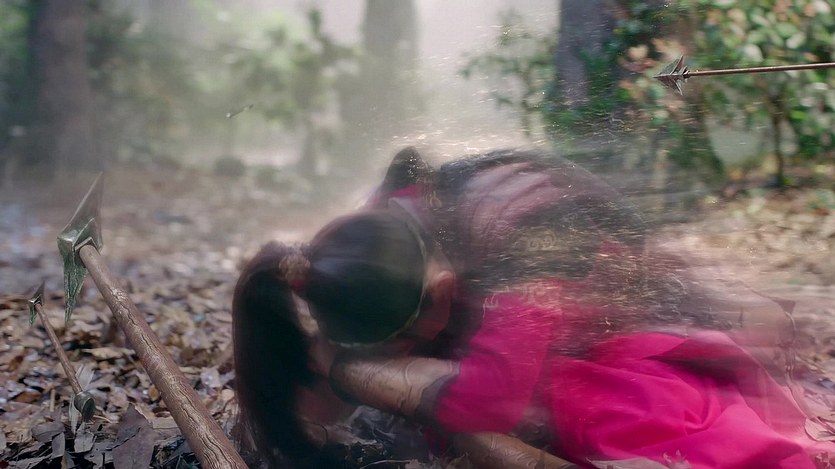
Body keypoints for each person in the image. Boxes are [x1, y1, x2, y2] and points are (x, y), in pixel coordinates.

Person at [232, 147, 834, 468]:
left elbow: (489, 399)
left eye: (409, 341)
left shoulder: (521, 241)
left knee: (602, 407)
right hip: (568, 320)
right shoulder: (384, 227)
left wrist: (353, 371)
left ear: (442, 293)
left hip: (632, 318)